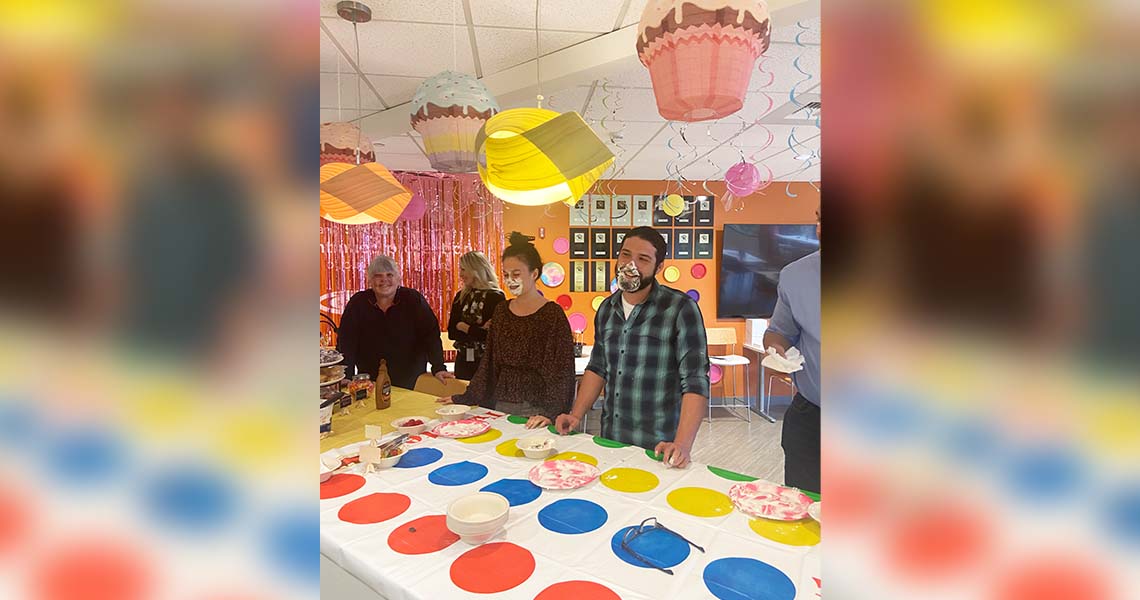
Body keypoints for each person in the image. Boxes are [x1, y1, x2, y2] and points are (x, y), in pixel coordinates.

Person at [555, 226, 710, 467]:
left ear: (659, 268)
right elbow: (598, 367)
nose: (631, 264)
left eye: (643, 259)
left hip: (659, 447)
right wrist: (576, 415)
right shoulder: (606, 309)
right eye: (625, 254)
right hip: (611, 440)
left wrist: (682, 444)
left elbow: (695, 380)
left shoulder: (680, 309)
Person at [439, 233, 575, 429]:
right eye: (506, 274)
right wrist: (466, 397)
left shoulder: (552, 314)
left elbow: (562, 370)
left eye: (516, 274)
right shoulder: (502, 311)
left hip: (537, 406)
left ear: (534, 274)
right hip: (499, 402)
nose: (510, 280)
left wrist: (551, 412)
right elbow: (489, 361)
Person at [763, 209, 821, 493]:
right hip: (812, 418)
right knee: (804, 508)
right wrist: (777, 351)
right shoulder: (796, 275)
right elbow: (780, 332)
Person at [336, 255, 455, 389]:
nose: (384, 280)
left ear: (398, 278)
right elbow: (346, 341)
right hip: (371, 381)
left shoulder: (413, 299)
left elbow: (430, 335)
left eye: (389, 275)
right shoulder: (358, 303)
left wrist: (438, 367)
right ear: (370, 280)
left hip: (412, 379)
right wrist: (345, 375)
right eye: (377, 276)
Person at [446, 251, 506, 380]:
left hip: (487, 362)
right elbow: (452, 332)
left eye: (463, 269)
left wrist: (465, 327)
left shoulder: (496, 297)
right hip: (463, 360)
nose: (460, 274)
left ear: (475, 270)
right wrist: (478, 329)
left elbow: (493, 336)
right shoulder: (461, 296)